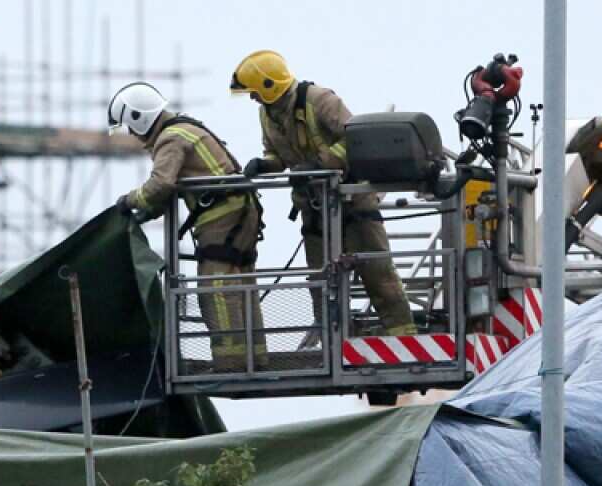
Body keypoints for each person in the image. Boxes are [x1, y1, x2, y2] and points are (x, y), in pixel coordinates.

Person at [230, 50, 415, 346]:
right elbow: (277, 154)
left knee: (378, 274)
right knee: (321, 280)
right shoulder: (267, 113)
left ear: (269, 86)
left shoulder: (319, 100)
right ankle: (335, 342)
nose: (252, 98)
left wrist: (321, 164)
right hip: (314, 209)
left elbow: (355, 139)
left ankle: (405, 337)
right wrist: (265, 164)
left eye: (253, 92)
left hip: (352, 203)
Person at [109, 81, 266, 371]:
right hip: (239, 212)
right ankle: (255, 356)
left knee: (215, 289)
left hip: (222, 218)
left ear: (138, 118)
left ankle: (231, 361)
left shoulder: (169, 139)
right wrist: (148, 213)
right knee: (241, 283)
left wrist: (129, 201)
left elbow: (161, 184)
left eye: (130, 126)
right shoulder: (184, 129)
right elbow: (169, 189)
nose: (131, 134)